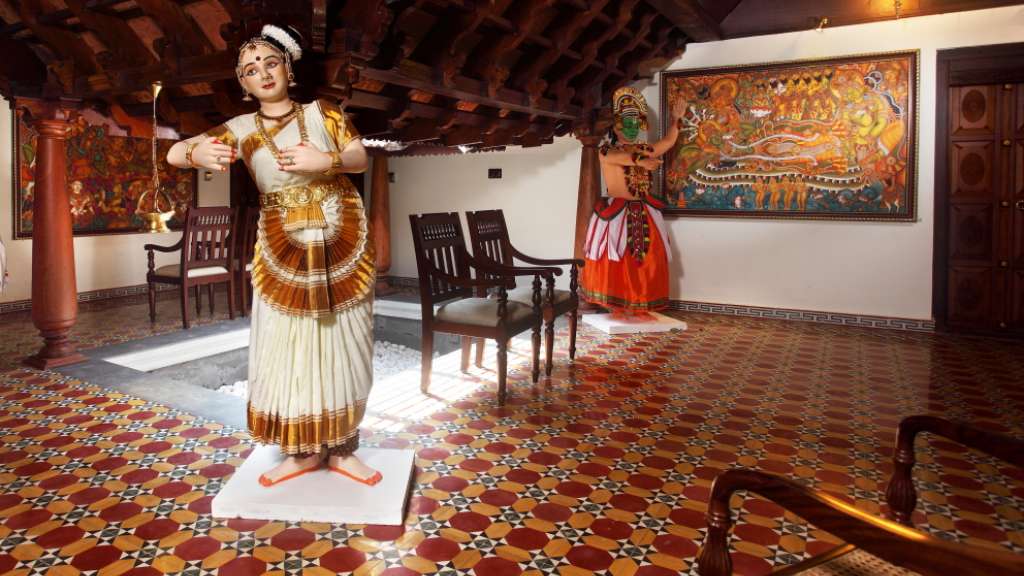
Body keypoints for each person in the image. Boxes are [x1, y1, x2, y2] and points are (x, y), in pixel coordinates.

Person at [165, 24, 379, 488]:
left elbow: (360, 157)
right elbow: (174, 153)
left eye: (269, 63)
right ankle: (301, 452)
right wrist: (194, 152)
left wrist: (327, 162)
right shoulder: (241, 129)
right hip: (282, 243)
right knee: (287, 342)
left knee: (344, 338)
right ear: (242, 84)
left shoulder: (324, 112)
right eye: (250, 70)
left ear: (288, 68)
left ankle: (344, 448)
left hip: (339, 235)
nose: (262, 73)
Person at [581, 87, 684, 317]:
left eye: (636, 121)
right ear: (616, 126)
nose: (633, 126)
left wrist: (676, 119)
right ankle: (618, 306)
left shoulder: (645, 149)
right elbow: (623, 158)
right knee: (618, 259)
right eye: (628, 122)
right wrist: (641, 161)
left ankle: (641, 304)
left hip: (646, 211)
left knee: (650, 259)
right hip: (617, 215)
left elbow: (667, 142)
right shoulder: (605, 151)